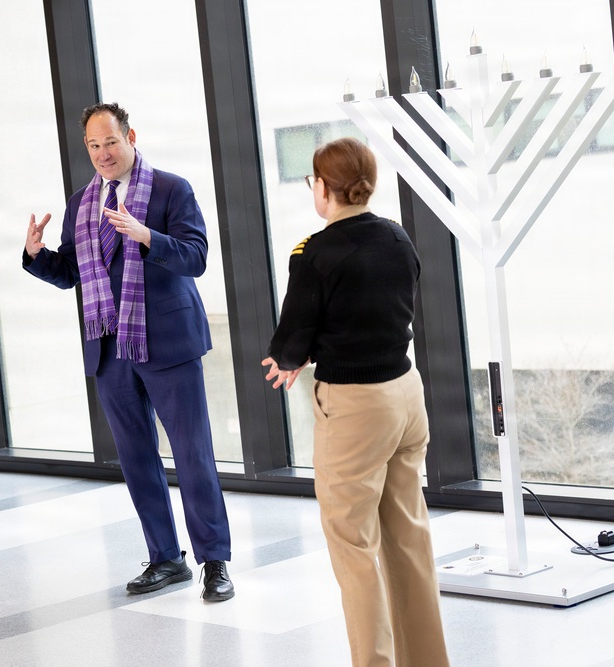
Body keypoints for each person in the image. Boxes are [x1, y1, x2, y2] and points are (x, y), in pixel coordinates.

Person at [23, 102, 234, 602]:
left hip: (167, 342)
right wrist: (36, 255)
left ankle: (215, 562)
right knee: (137, 459)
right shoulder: (82, 203)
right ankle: (165, 558)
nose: (102, 154)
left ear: (130, 136)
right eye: (93, 146)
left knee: (192, 455)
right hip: (108, 347)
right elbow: (74, 272)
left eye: (110, 142)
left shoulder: (170, 189)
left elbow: (197, 257)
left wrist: (148, 237)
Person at [262, 137, 450, 666]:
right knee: (408, 539)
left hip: (355, 408)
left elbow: (295, 330)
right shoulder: (396, 236)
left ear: (322, 187)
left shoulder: (315, 251)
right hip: (406, 396)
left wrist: (289, 357)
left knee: (355, 551)